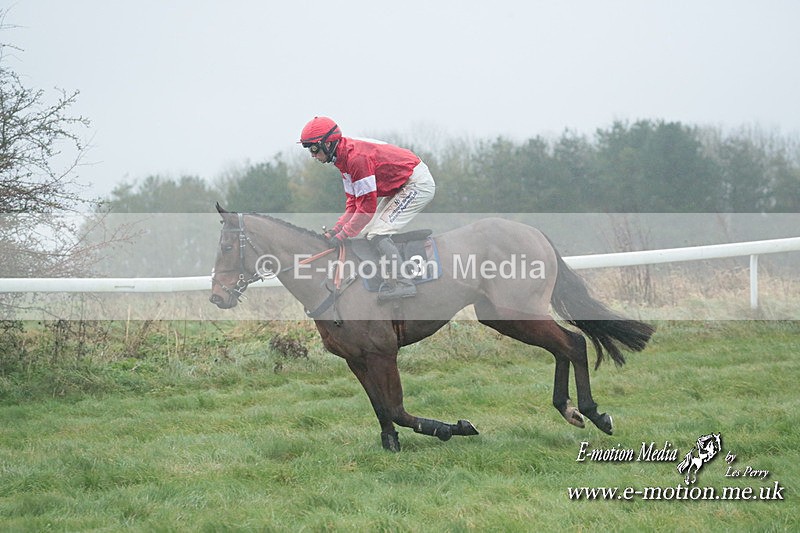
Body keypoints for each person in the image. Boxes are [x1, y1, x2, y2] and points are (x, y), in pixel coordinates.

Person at [299, 116, 436, 301]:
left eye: (314, 148)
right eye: (309, 149)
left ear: (328, 144)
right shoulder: (342, 160)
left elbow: (367, 208)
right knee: (369, 231)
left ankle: (404, 283)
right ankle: (389, 276)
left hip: (416, 184)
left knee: (377, 233)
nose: (312, 155)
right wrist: (336, 230)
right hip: (401, 184)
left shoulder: (356, 159)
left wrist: (343, 235)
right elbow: (353, 204)